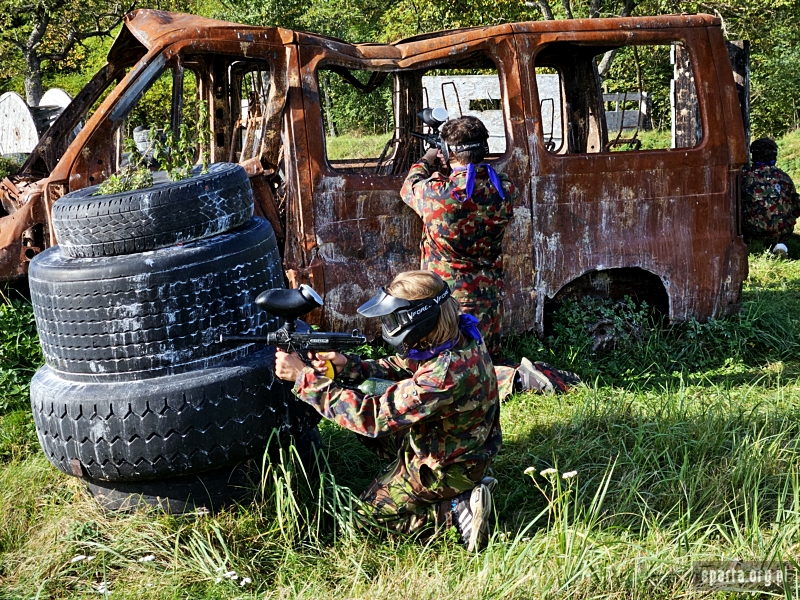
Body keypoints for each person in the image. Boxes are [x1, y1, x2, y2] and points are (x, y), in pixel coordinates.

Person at [274, 270, 500, 551]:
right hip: (454, 442)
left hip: (446, 466)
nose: (390, 326)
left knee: (361, 523)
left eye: (395, 319)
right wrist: (351, 366)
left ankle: (455, 510)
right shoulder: (459, 335)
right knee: (364, 421)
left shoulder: (443, 374)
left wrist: (303, 379)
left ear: (420, 320)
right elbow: (406, 368)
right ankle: (459, 487)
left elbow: (371, 418)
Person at [400, 115, 580, 397]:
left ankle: (520, 379)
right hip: (490, 294)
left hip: (448, 298)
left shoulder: (437, 192)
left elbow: (409, 187)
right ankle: (528, 373)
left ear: (449, 154)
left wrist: (427, 160)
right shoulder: (503, 188)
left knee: (456, 364)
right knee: (486, 353)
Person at [741, 137, 800, 252]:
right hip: (784, 231)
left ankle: (754, 243)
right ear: (774, 155)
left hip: (754, 231)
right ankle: (779, 243)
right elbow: (797, 206)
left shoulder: (745, 177)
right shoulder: (784, 177)